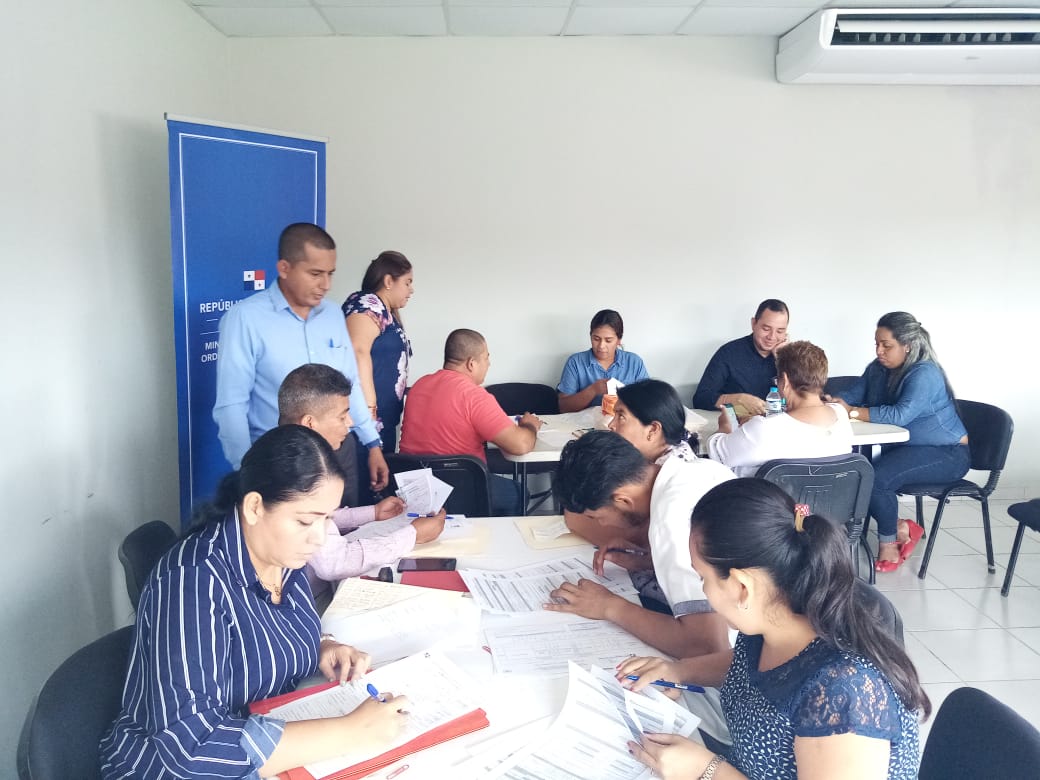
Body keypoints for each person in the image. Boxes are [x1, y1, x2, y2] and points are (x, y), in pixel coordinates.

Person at [100, 425, 409, 779]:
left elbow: (265, 639)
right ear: (254, 507)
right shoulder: (192, 581)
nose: (320, 538)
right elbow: (191, 749)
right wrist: (351, 731)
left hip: (262, 736)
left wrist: (321, 646)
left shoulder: (283, 557)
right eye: (305, 521)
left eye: (327, 518)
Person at [620, 479, 927, 780]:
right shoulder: (775, 620)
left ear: (742, 587)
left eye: (703, 578)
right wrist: (679, 671)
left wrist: (706, 771)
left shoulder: (844, 695)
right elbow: (748, 667)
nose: (703, 590)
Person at [212, 222, 389, 507]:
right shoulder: (245, 319)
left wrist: (372, 444)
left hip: (338, 451)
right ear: (284, 268)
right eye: (315, 274)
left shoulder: (332, 315)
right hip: (281, 460)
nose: (326, 285)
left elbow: (351, 384)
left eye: (330, 273)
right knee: (297, 533)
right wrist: (247, 470)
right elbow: (231, 405)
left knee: (347, 527)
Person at [547, 431, 733, 660]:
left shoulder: (669, 523)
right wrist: (652, 560)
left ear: (623, 500)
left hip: (736, 660)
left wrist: (608, 606)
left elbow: (708, 646)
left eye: (597, 517)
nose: (603, 525)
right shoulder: (701, 468)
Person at [277, 364, 444, 598]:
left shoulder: (286, 455)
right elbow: (333, 563)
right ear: (310, 423)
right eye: (342, 416)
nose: (350, 422)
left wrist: (372, 513)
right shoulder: (298, 475)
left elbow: (318, 520)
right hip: (308, 602)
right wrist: (412, 535)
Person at [828, 311, 969, 573]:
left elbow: (900, 415)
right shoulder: (879, 367)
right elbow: (856, 391)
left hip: (946, 453)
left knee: (876, 479)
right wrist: (834, 402)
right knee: (854, 471)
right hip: (906, 448)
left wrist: (852, 412)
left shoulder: (925, 373)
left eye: (886, 345)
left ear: (908, 345)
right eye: (876, 344)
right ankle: (899, 526)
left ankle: (889, 543)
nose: (879, 351)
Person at [399, 328, 542, 516]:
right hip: (460, 488)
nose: (489, 364)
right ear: (472, 363)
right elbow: (521, 445)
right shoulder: (473, 396)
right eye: (486, 358)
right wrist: (529, 425)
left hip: (414, 488)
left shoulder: (420, 385)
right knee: (517, 493)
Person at [566, 379, 699, 550]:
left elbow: (639, 537)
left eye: (621, 416)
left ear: (653, 429)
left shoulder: (670, 473)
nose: (611, 425)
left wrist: (578, 516)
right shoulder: (652, 458)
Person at [706, 340, 853, 477]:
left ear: (785, 381)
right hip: (827, 497)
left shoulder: (765, 429)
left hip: (760, 496)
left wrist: (725, 427)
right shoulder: (841, 414)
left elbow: (718, 455)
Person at [342, 250, 413, 453]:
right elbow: (358, 351)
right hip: (365, 423)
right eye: (407, 282)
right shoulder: (367, 304)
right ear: (389, 281)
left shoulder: (388, 312)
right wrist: (370, 410)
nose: (411, 290)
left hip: (385, 421)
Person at [692, 299, 789, 415]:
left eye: (780, 331)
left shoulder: (789, 357)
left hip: (777, 421)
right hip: (737, 421)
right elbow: (701, 398)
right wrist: (737, 400)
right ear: (754, 324)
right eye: (766, 329)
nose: (772, 337)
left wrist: (782, 359)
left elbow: (801, 399)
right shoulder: (729, 353)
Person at [557, 309, 649, 413]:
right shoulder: (576, 362)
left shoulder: (634, 362)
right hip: (585, 422)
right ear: (590, 336)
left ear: (619, 340)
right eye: (596, 339)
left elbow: (648, 402)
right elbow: (563, 407)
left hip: (623, 421)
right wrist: (593, 390)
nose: (601, 346)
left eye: (608, 340)